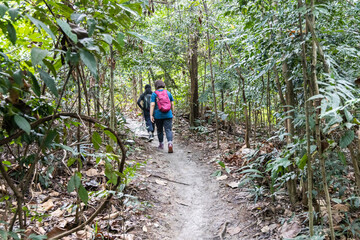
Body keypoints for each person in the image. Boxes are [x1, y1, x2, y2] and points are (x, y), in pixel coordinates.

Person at [150, 80, 175, 153]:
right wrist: (172, 112)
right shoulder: (168, 93)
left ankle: (161, 144)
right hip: (168, 114)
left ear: (156, 86)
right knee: (168, 130)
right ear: (163, 85)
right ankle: (170, 143)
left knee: (160, 130)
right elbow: (172, 103)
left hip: (158, 115)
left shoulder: (154, 94)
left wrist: (151, 115)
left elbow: (152, 105)